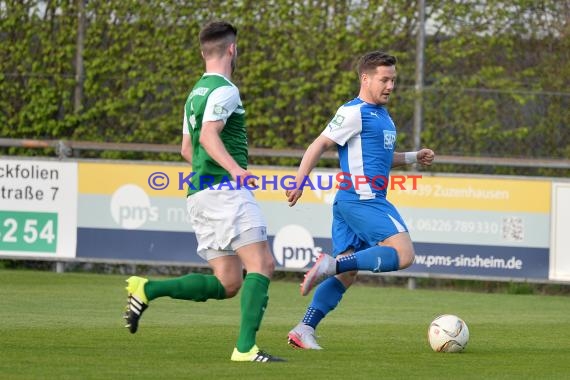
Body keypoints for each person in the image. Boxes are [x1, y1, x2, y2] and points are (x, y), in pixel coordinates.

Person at [123, 20, 284, 363]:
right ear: (232, 49)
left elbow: (187, 148)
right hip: (224, 191)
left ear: (202, 52)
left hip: (198, 192)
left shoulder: (195, 93)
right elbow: (210, 135)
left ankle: (147, 289)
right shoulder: (226, 89)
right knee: (263, 264)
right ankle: (245, 349)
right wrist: (235, 169)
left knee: (228, 282)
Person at [285, 51, 435, 350]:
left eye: (393, 79)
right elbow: (320, 143)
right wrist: (300, 181)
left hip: (351, 202)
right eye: (384, 79)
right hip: (363, 199)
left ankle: (304, 328)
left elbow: (380, 159)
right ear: (365, 79)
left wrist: (413, 157)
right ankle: (330, 264)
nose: (390, 85)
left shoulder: (382, 115)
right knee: (404, 255)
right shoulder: (354, 111)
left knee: (347, 273)